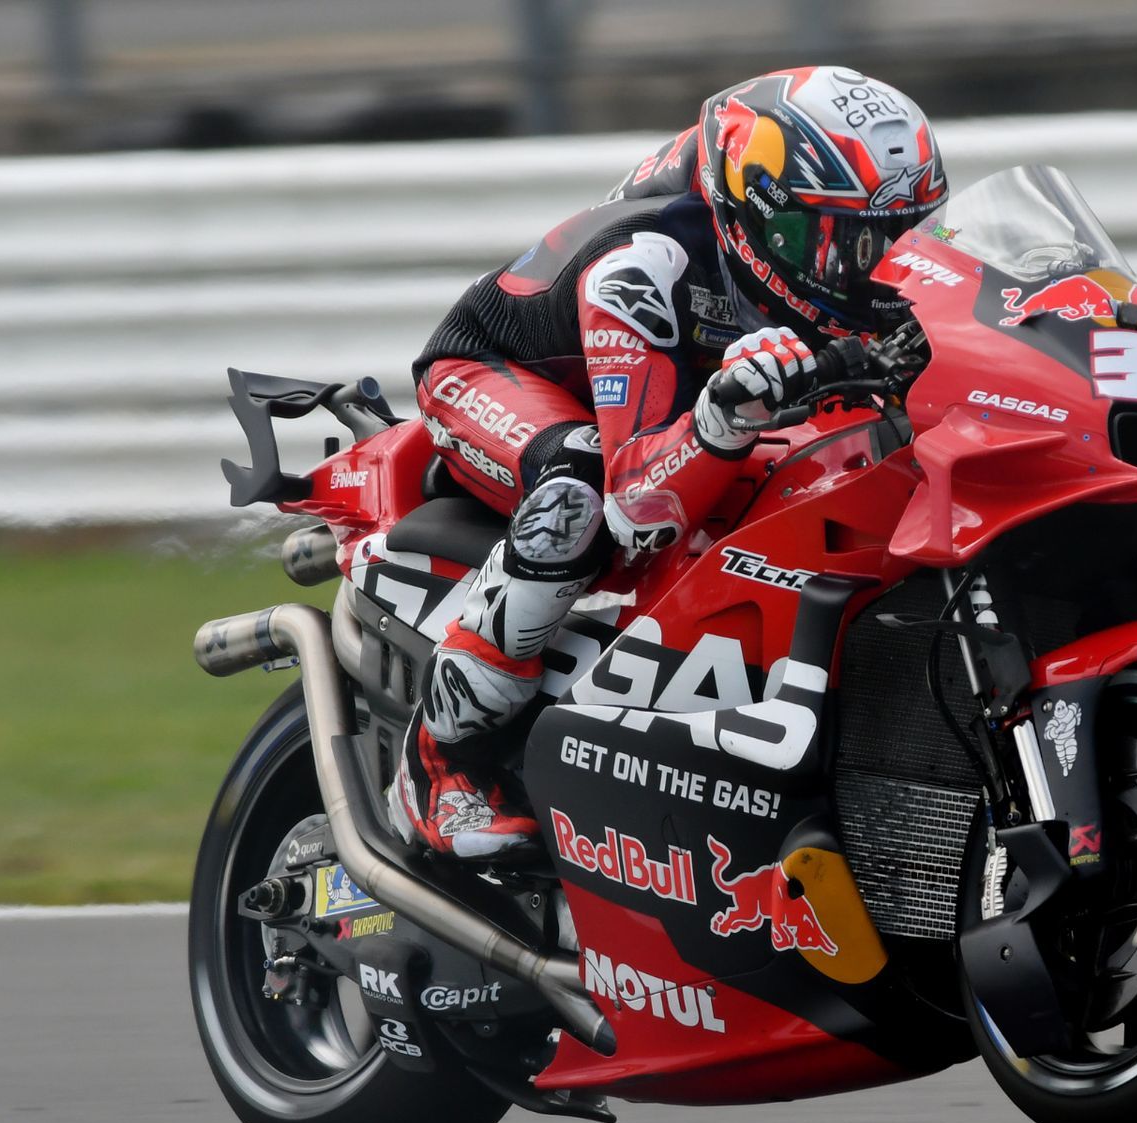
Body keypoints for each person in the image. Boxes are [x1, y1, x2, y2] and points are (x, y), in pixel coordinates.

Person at [390, 66, 948, 859]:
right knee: (576, 494)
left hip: (666, 391)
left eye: (900, 238)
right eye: (847, 241)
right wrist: (723, 417)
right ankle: (440, 766)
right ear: (765, 219)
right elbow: (638, 502)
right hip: (501, 378)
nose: (876, 268)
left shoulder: (805, 256)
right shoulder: (645, 262)